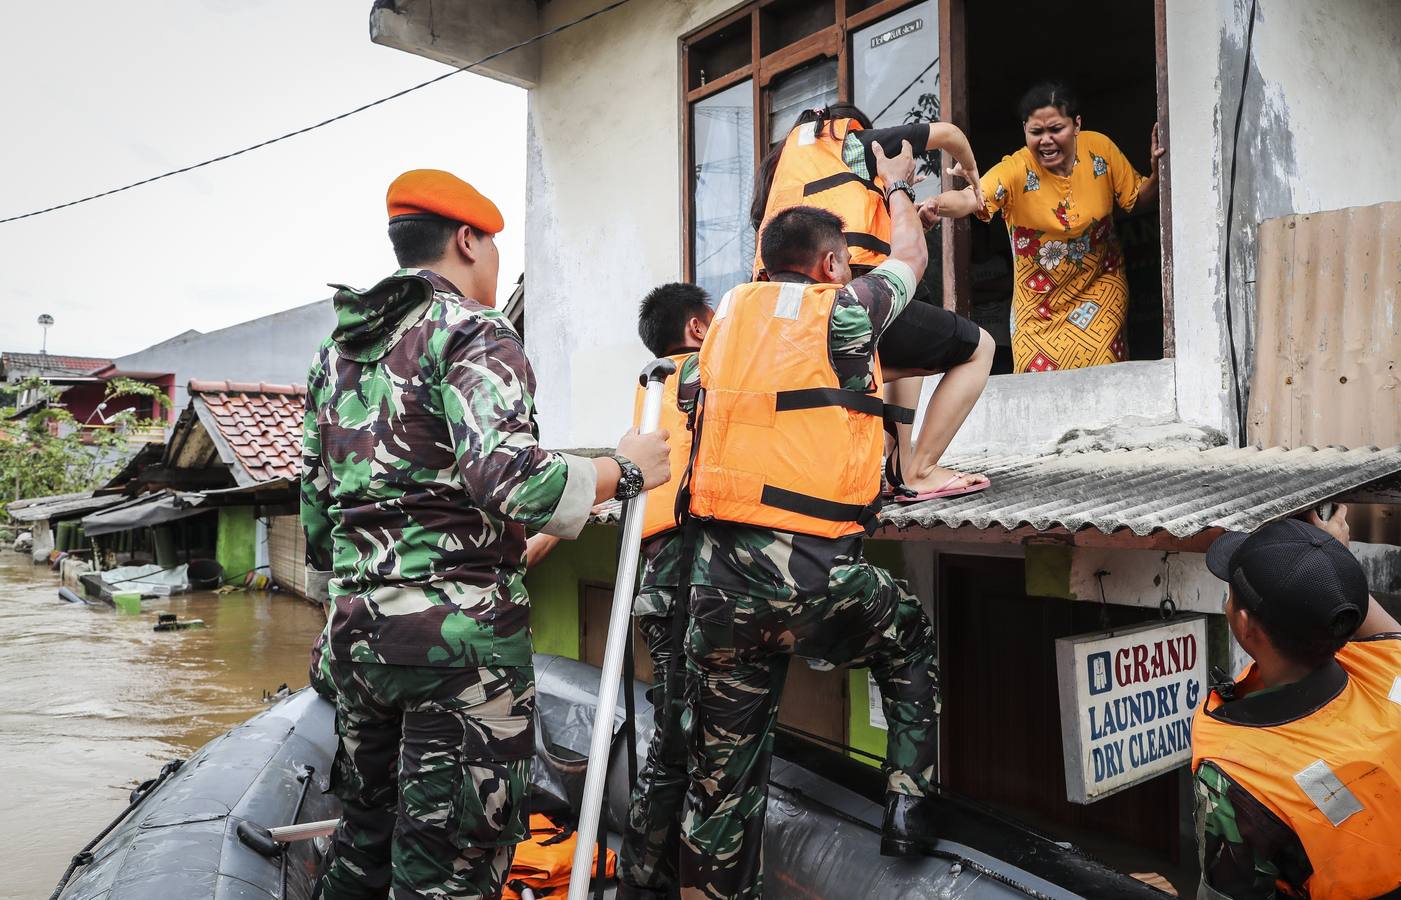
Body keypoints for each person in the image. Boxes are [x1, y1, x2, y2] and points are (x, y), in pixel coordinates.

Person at [300, 168, 671, 900]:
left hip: (358, 639)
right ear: (468, 240)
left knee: (364, 843)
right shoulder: (472, 330)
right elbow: (515, 480)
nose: (498, 266)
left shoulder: (334, 356)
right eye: (495, 247)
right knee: (452, 871)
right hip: (457, 656)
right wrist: (623, 469)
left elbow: (317, 512)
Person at [678, 141, 946, 899]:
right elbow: (911, 257)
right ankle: (907, 806)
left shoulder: (716, 335)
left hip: (717, 587)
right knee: (910, 637)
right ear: (831, 265)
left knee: (721, 784)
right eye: (842, 263)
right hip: (814, 575)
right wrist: (894, 187)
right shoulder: (846, 314)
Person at [753, 103, 994, 502]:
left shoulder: (778, 176)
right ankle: (920, 470)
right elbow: (950, 134)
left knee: (915, 333)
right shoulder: (851, 144)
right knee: (978, 347)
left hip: (789, 325)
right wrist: (970, 173)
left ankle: (895, 468)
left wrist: (911, 217)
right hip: (848, 305)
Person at [1192, 505, 1401, 900]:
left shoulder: (1238, 776)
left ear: (1245, 625)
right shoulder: (1391, 672)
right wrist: (1328, 561)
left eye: (1230, 593)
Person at [939, 82, 1166, 373]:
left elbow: (1136, 200)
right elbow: (971, 197)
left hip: (1099, 288)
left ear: (1077, 125)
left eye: (1055, 129)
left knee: (1103, 374)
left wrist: (1157, 173)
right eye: (1036, 132)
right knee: (1035, 385)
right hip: (1037, 309)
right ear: (1025, 130)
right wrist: (937, 205)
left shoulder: (1100, 150)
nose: (1046, 140)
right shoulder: (1016, 169)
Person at [617, 282, 712, 899]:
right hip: (683, 571)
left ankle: (650, 877)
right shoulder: (705, 374)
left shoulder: (651, 389)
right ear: (700, 329)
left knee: (680, 730)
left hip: (658, 572)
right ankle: (641, 881)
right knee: (677, 739)